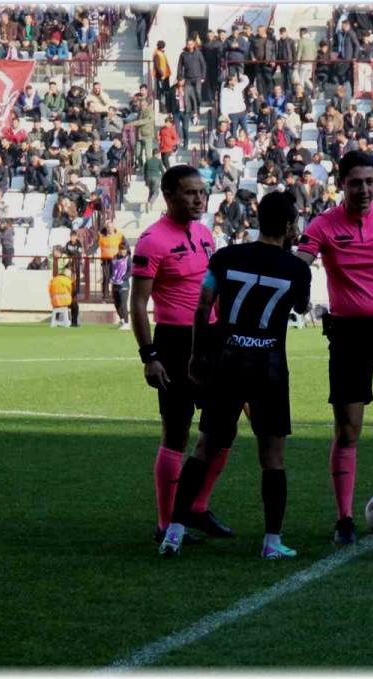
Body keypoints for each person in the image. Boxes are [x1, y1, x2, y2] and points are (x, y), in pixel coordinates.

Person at [160, 192, 312, 559]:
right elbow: (301, 306)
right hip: (269, 365)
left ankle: (173, 533)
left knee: (204, 446)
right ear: (289, 225)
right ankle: (272, 542)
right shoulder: (297, 269)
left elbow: (203, 306)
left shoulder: (225, 257)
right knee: (272, 455)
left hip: (226, 360)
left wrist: (197, 354)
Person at [294, 150, 373, 545]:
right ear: (341, 184)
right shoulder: (324, 225)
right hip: (347, 335)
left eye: (369, 182)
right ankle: (344, 518)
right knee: (348, 428)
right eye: (355, 182)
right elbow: (300, 262)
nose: (363, 189)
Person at [130, 165, 234, 550]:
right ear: (169, 195)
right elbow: (138, 303)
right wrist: (149, 356)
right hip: (174, 343)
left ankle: (195, 507)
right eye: (190, 193)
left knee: (223, 429)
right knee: (176, 432)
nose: (198, 199)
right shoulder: (152, 241)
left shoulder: (205, 234)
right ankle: (164, 524)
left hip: (212, 339)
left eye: (201, 192)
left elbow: (214, 291)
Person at [110, 241, 131, 330]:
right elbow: (111, 269)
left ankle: (126, 323)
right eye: (121, 249)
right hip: (115, 284)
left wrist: (124, 278)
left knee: (123, 304)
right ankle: (122, 320)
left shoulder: (128, 258)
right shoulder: (114, 258)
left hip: (124, 284)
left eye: (124, 249)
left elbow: (130, 270)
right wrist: (111, 277)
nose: (123, 251)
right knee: (117, 304)